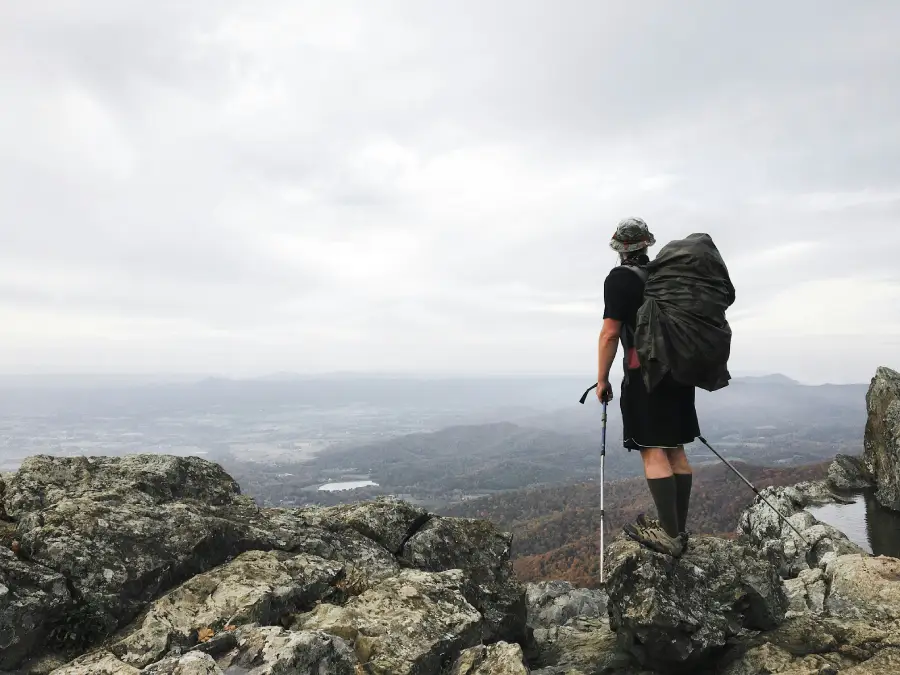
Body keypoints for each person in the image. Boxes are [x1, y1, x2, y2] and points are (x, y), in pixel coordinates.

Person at [596, 217, 698, 557]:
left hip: (645, 375)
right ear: (647, 245)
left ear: (619, 249)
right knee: (676, 450)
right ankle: (678, 530)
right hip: (679, 374)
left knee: (653, 452)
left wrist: (602, 378)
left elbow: (610, 333)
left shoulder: (620, 280)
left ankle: (670, 535)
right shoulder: (664, 277)